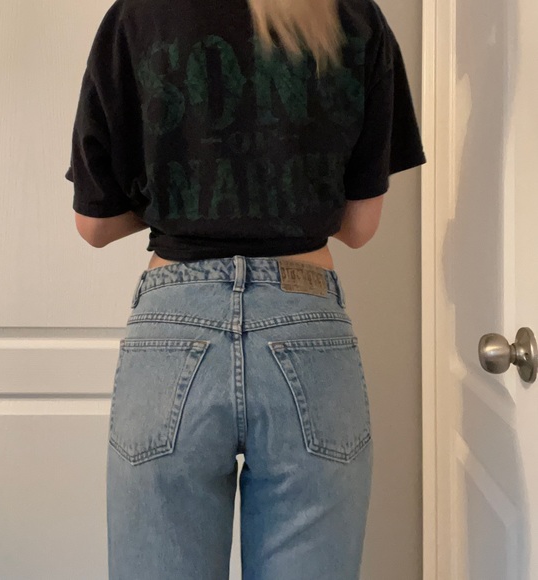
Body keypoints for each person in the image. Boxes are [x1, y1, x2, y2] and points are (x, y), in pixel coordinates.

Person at [65, 0, 426, 577]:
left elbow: (94, 225)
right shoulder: (355, 15)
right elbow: (360, 228)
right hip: (306, 324)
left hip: (173, 330)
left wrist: (179, 207)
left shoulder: (136, 15)